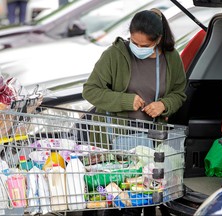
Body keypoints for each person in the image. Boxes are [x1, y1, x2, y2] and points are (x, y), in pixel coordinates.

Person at [82, 8, 187, 216]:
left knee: (146, 197)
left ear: (158, 40)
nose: (137, 48)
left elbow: (180, 93)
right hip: (116, 140)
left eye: (144, 46)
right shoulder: (114, 55)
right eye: (134, 42)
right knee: (120, 199)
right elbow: (90, 90)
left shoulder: (171, 58)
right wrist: (125, 100)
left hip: (150, 142)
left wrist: (164, 104)